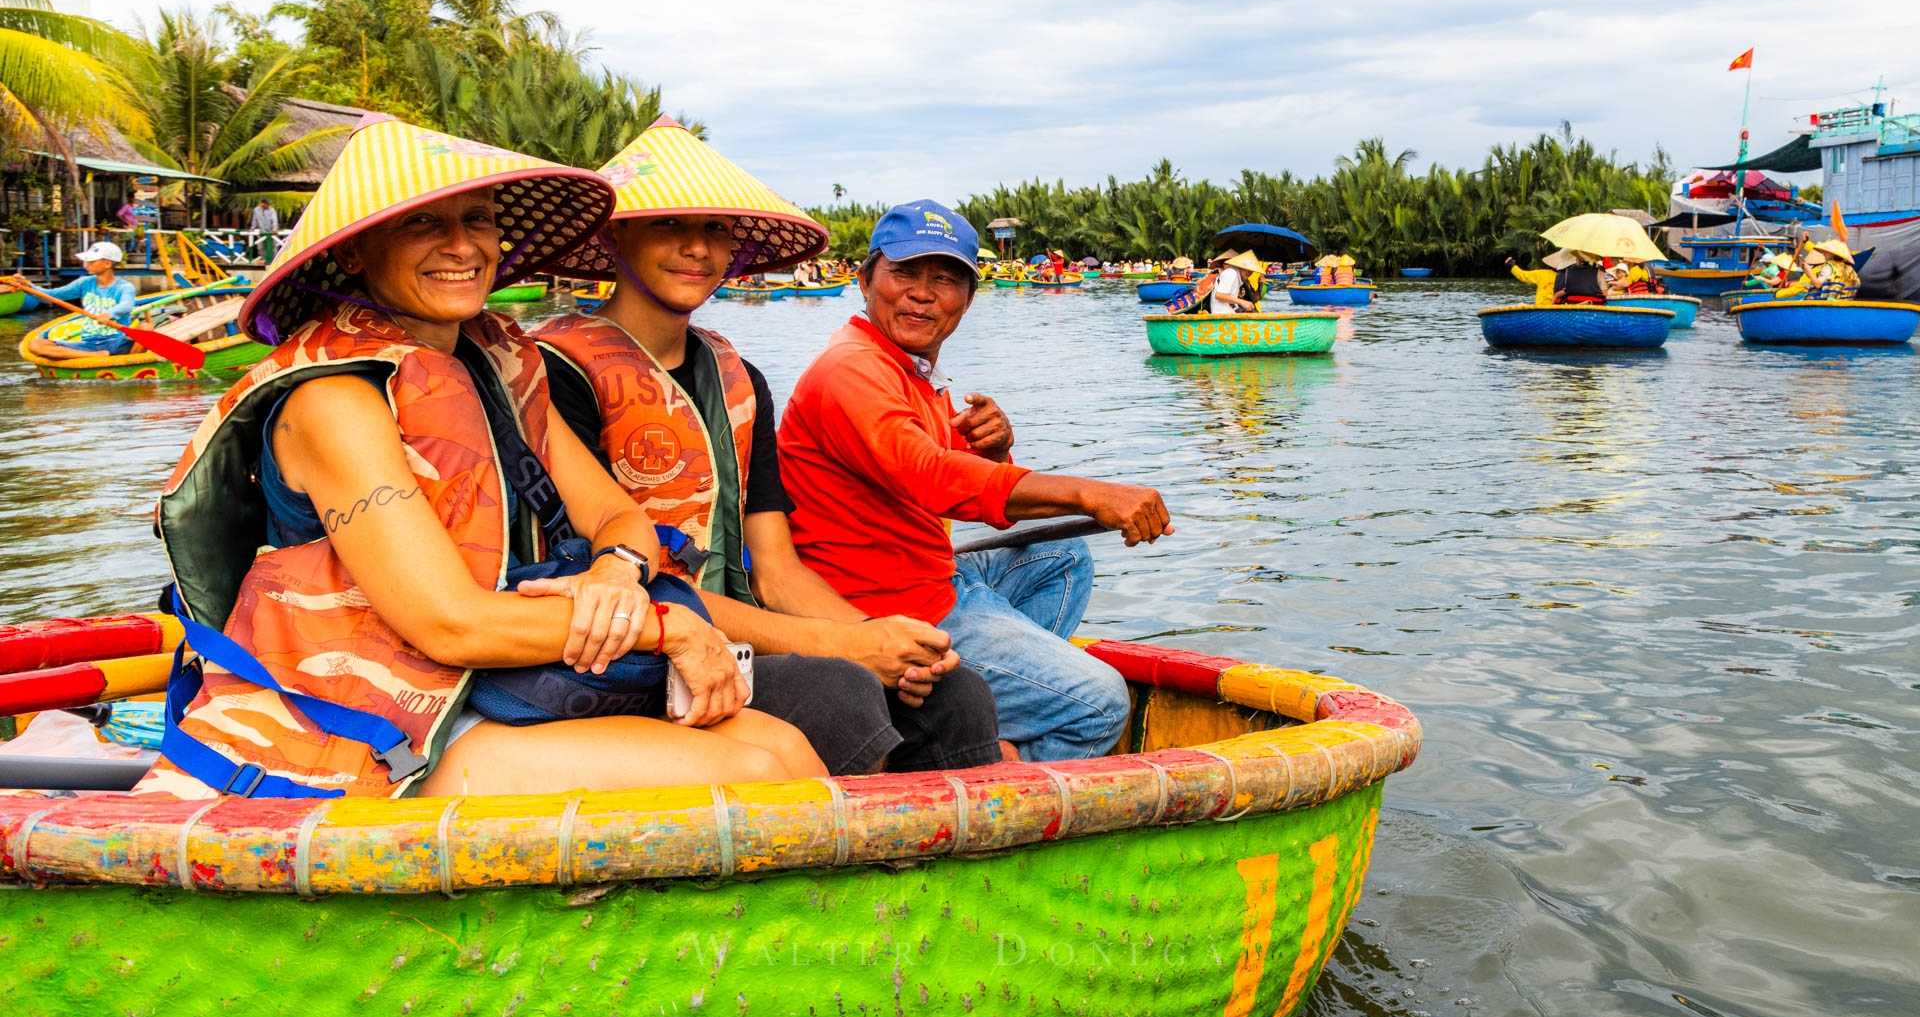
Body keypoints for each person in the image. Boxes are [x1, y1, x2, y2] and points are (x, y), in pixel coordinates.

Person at [141, 115, 822, 801]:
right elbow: (451, 621)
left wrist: (616, 576)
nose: (462, 245)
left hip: (489, 688)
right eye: (422, 224)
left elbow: (619, 515)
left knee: (788, 746)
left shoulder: (495, 367)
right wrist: (662, 625)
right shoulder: (333, 402)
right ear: (354, 253)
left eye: (478, 218)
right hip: (370, 725)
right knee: (757, 776)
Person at [531, 121, 998, 775]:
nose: (697, 248)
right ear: (616, 233)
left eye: (717, 229)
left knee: (950, 691)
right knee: (843, 692)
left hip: (743, 632)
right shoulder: (557, 374)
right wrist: (846, 648)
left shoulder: (740, 377)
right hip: (628, 648)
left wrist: (876, 639)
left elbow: (775, 569)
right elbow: (607, 580)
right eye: (671, 225)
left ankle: (953, 862)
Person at [779, 200, 1173, 763]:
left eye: (944, 280)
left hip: (930, 573)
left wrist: (1000, 447)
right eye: (904, 273)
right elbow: (935, 478)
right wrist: (1090, 492)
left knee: (1062, 554)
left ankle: (982, 700)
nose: (922, 293)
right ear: (865, 280)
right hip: (882, 603)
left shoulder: (911, 370)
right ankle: (994, 759)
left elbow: (962, 480)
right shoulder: (851, 369)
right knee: (1102, 703)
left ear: (968, 298)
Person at [2, 241, 137, 355]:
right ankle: (93, 357)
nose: (86, 265)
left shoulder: (124, 287)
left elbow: (126, 305)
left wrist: (110, 314)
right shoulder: (84, 282)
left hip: (116, 341)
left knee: (145, 327)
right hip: (88, 343)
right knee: (36, 345)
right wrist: (28, 285)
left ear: (107, 264)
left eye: (91, 261)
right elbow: (52, 296)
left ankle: (104, 358)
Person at [1779, 237, 1860, 300]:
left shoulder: (1828, 267)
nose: (1823, 253)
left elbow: (1818, 284)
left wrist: (1808, 272)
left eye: (1826, 251)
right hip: (1843, 302)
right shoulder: (1849, 268)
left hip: (1827, 304)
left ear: (1832, 254)